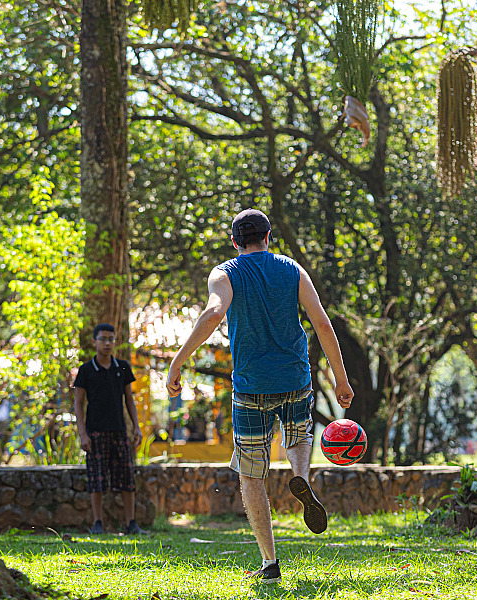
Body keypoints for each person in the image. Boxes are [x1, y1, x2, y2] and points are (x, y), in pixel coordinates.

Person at [167, 208, 354, 584]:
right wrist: (341, 379)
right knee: (299, 434)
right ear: (268, 237)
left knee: (251, 476)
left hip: (251, 386)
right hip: (294, 378)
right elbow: (322, 323)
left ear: (235, 242)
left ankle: (270, 563)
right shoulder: (292, 269)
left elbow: (213, 312)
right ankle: (301, 475)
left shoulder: (225, 273)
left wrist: (178, 360)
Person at [74, 323, 147, 535]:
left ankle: (131, 522)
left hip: (119, 430)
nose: (107, 343)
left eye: (111, 339)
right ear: (94, 341)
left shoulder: (122, 367)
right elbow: (78, 403)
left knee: (126, 476)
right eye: (103, 339)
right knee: (97, 478)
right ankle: (98, 522)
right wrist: (82, 433)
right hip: (94, 432)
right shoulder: (86, 370)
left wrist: (136, 428)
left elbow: (129, 399)